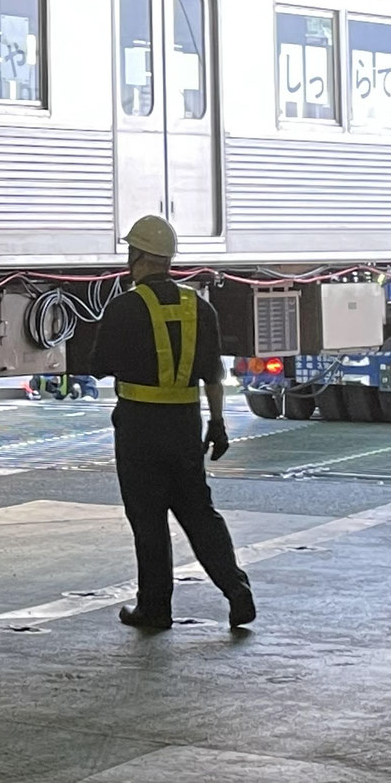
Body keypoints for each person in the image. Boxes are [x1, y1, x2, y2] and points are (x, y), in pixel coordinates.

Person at [89, 215, 254, 631]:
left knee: (148, 520)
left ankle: (155, 608)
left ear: (138, 257)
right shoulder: (200, 307)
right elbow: (213, 374)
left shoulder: (125, 307)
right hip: (185, 426)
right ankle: (237, 591)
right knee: (200, 513)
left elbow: (99, 366)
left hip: (139, 428)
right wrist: (217, 423)